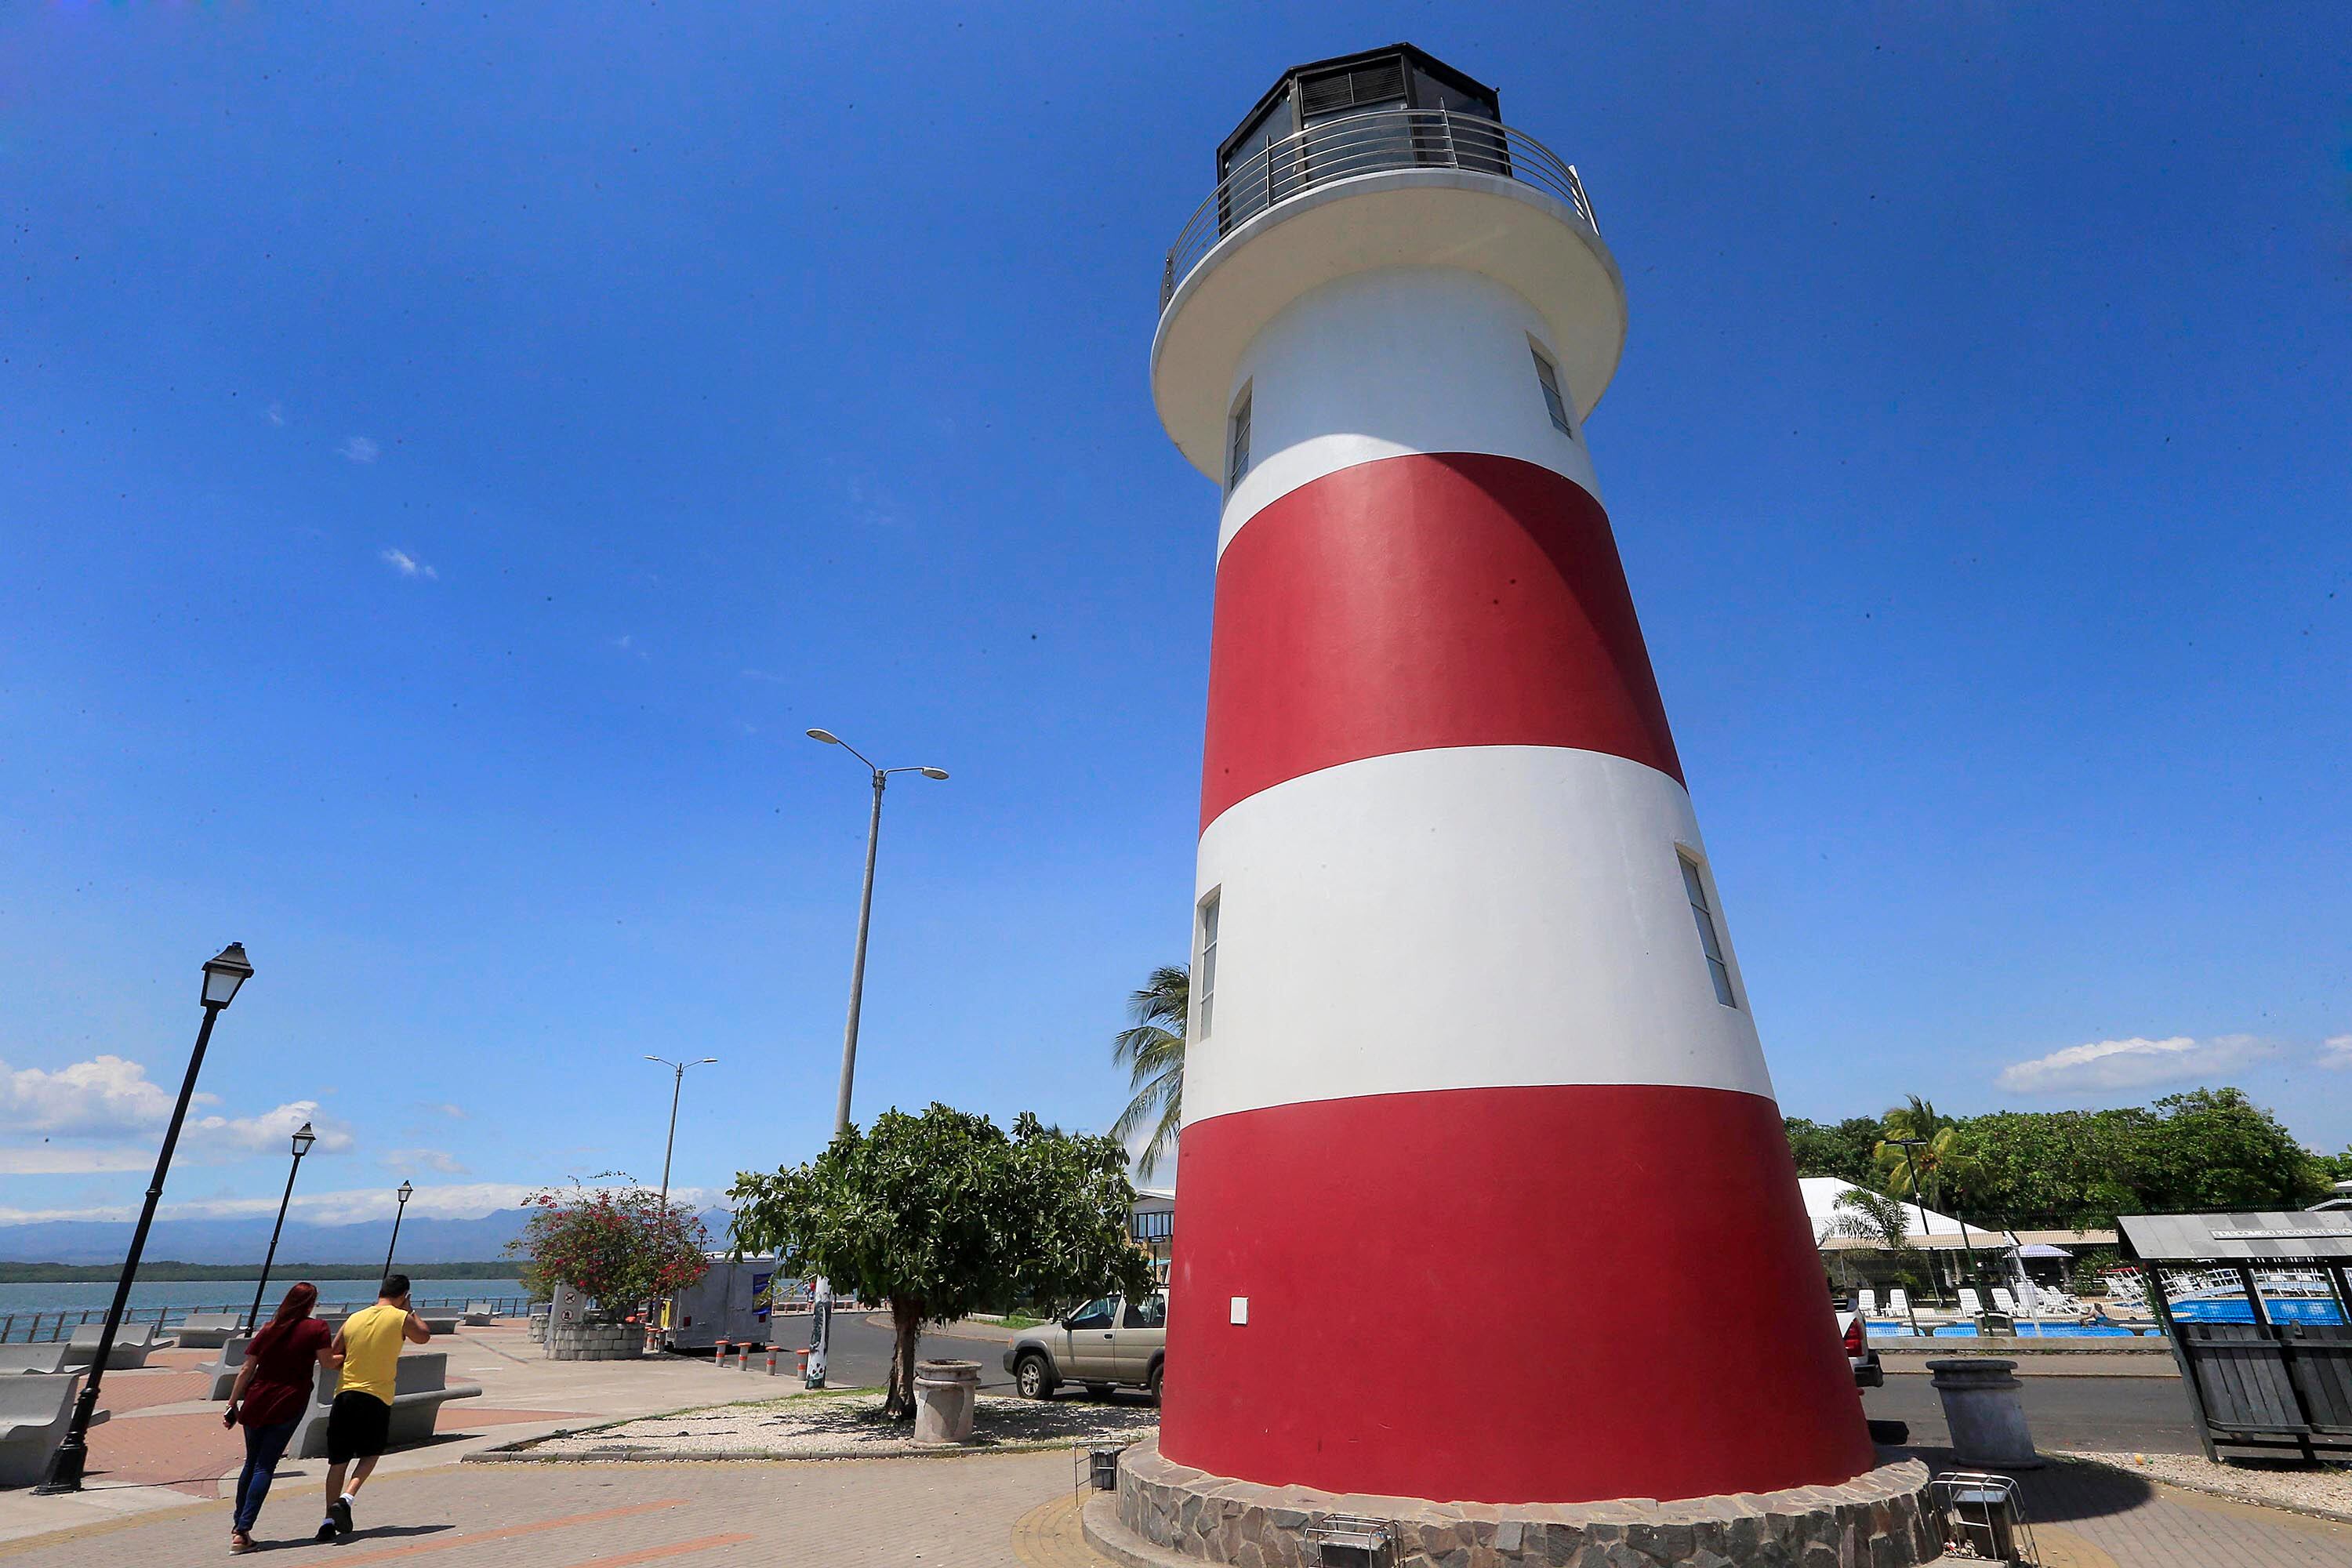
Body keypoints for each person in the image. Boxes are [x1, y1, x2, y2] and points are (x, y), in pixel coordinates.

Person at [222, 1281, 339, 1553]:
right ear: (311, 1303)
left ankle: (239, 1526)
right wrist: (347, 1355)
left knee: (251, 1464)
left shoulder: (269, 1328)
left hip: (256, 1400)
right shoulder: (317, 1328)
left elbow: (246, 1369)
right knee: (265, 1466)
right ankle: (242, 1530)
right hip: (289, 1401)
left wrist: (232, 1403)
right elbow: (328, 1362)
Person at [316, 1273, 431, 1541]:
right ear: (404, 1295)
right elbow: (424, 1336)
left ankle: (327, 1521)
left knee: (338, 1461)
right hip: (376, 1396)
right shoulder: (401, 1317)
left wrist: (351, 1361)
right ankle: (347, 1498)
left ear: (380, 1292)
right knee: (371, 1453)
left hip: (345, 1395)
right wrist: (410, 1311)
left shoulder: (354, 1318)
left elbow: (332, 1357)